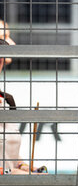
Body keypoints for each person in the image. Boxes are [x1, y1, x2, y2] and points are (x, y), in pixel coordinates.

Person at [0, 22, 44, 175]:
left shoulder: (7, 99)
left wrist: (22, 166)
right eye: (4, 38)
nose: (11, 44)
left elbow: (9, 154)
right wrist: (12, 173)